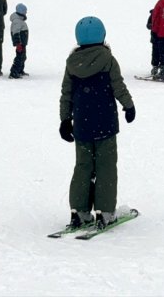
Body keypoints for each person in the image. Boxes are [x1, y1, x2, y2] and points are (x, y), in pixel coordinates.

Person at [59, 16, 135, 230]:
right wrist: (129, 106)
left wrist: (65, 119)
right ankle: (105, 212)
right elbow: (118, 86)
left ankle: (79, 211)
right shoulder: (108, 59)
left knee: (83, 166)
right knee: (106, 167)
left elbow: (67, 93)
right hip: (105, 123)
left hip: (82, 124)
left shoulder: (72, 63)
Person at [146, 8, 164, 76]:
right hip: (156, 38)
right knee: (156, 52)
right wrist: (151, 25)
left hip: (162, 37)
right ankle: (156, 67)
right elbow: (148, 25)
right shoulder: (154, 14)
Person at [9, 3, 29, 79]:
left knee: (23, 57)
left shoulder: (20, 20)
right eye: (25, 11)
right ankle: (14, 72)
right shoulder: (17, 21)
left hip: (22, 43)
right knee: (19, 57)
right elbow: (15, 33)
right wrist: (18, 44)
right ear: (21, 11)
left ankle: (20, 70)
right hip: (20, 44)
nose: (26, 13)